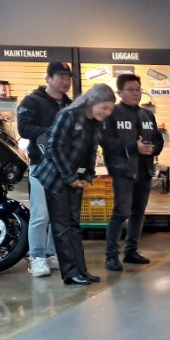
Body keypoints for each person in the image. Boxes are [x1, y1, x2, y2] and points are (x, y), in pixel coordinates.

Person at [31, 84, 116, 285]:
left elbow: (91, 151)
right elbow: (54, 147)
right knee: (62, 226)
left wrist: (87, 175)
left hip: (75, 179)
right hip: (55, 177)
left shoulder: (95, 123)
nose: (106, 113)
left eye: (110, 110)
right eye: (104, 107)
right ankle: (70, 273)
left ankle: (81, 270)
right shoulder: (68, 115)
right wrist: (69, 177)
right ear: (92, 101)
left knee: (74, 225)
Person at [100, 74, 164, 271]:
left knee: (138, 212)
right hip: (123, 171)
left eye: (138, 90)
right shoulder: (112, 113)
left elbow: (157, 139)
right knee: (121, 212)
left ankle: (131, 251)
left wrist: (153, 149)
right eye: (131, 90)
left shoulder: (147, 115)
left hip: (144, 170)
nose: (136, 93)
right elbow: (105, 141)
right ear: (120, 92)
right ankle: (111, 256)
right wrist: (132, 147)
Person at [16, 61, 73, 277]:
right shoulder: (32, 101)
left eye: (68, 78)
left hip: (64, 166)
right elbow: (24, 128)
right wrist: (52, 132)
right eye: (61, 77)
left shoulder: (69, 105)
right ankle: (37, 257)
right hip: (41, 165)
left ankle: (51, 254)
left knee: (59, 214)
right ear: (48, 78)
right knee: (40, 214)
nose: (65, 82)